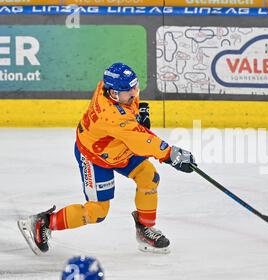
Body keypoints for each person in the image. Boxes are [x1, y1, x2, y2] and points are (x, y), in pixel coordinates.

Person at [18, 62, 196, 255]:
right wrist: (170, 154)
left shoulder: (111, 88)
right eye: (130, 90)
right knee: (97, 211)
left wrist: (138, 114)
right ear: (113, 94)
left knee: (148, 176)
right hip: (95, 156)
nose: (136, 92)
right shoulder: (111, 115)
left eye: (136, 86)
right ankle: (43, 223)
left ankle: (145, 230)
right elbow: (142, 142)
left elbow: (131, 126)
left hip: (117, 145)